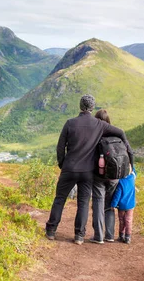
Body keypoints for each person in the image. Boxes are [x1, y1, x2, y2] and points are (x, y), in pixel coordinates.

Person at [45, 94, 131, 245]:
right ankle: (79, 236)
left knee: (60, 199)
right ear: (92, 108)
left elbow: (60, 147)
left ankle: (51, 231)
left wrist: (62, 164)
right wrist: (128, 154)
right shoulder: (99, 124)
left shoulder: (70, 123)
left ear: (80, 106)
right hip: (87, 172)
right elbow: (121, 132)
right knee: (83, 203)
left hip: (69, 168)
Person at [89, 109, 134, 244]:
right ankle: (109, 235)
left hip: (98, 175)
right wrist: (131, 169)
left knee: (98, 203)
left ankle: (98, 236)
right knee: (109, 205)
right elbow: (130, 152)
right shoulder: (118, 134)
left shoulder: (95, 135)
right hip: (115, 176)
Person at [111, 168, 137, 244]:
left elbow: (117, 195)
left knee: (122, 220)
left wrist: (113, 205)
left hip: (121, 206)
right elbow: (134, 172)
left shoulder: (120, 181)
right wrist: (132, 165)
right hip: (131, 204)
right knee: (129, 220)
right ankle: (128, 237)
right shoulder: (132, 178)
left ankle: (121, 235)